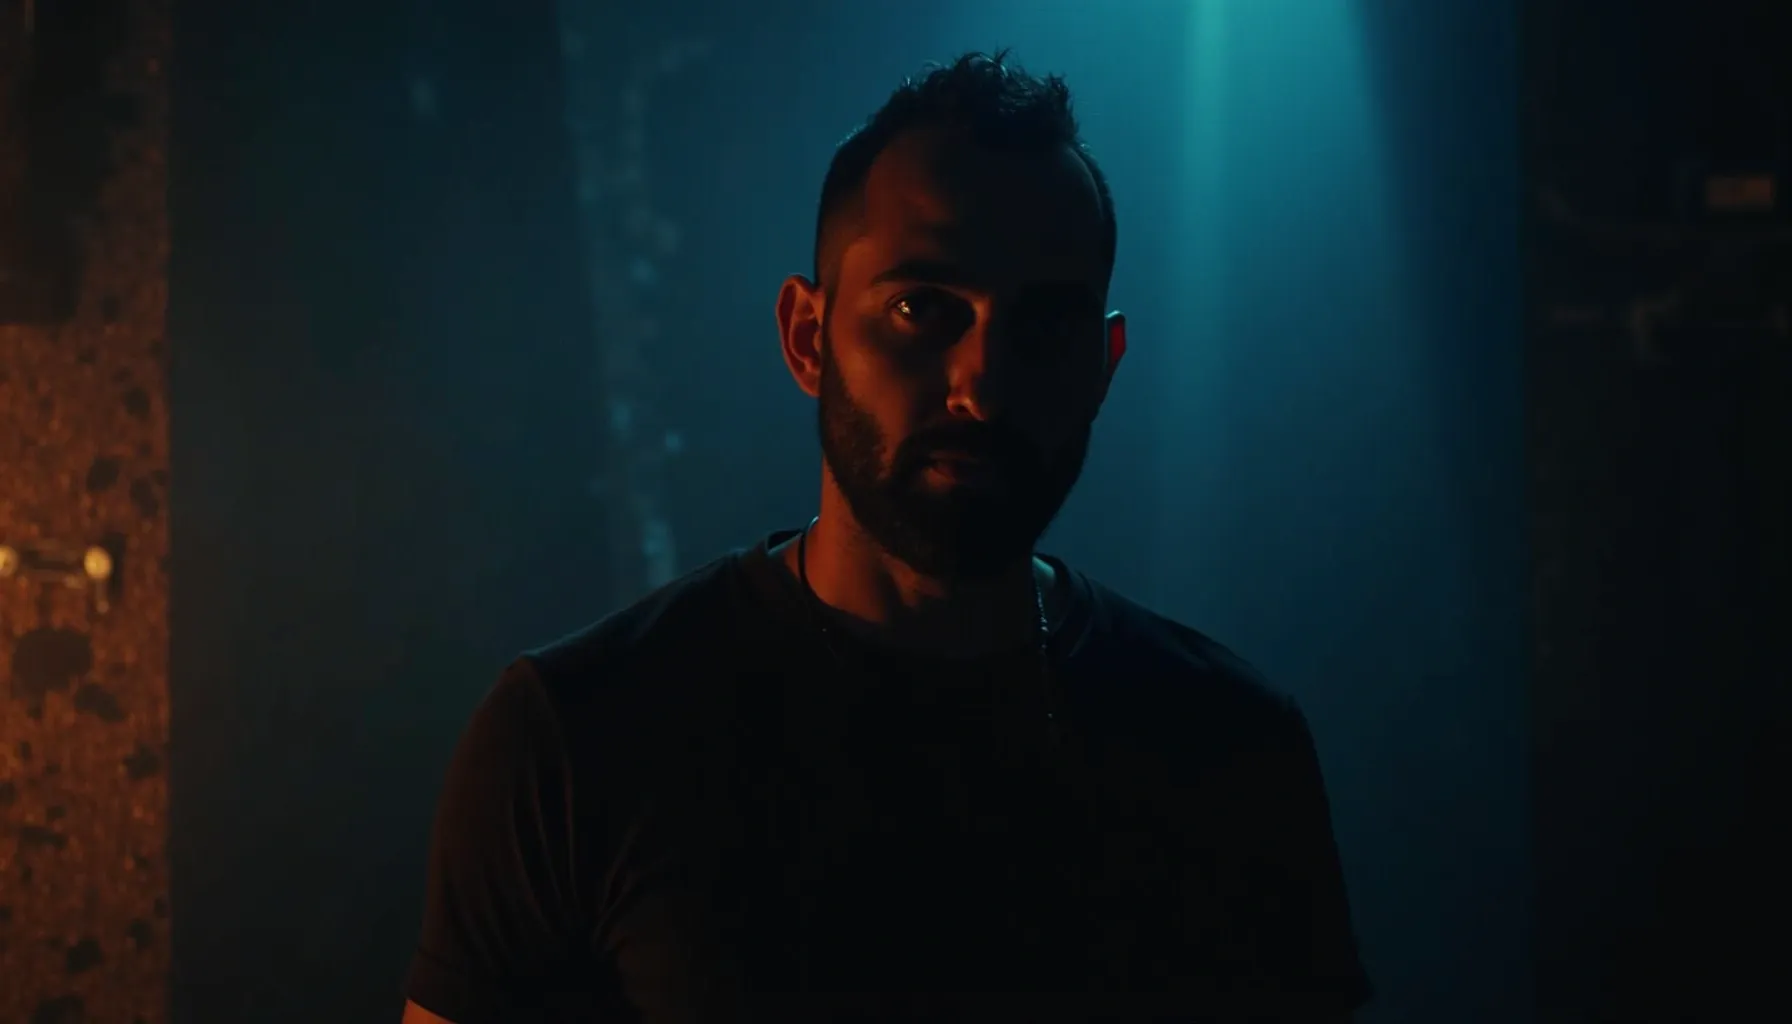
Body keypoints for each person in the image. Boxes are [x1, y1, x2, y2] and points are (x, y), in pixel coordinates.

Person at [401, 50, 1371, 1023]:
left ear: (1104, 364)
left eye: (1044, 323)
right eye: (922, 308)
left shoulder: (1229, 749)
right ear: (807, 337)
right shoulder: (578, 739)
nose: (982, 384)